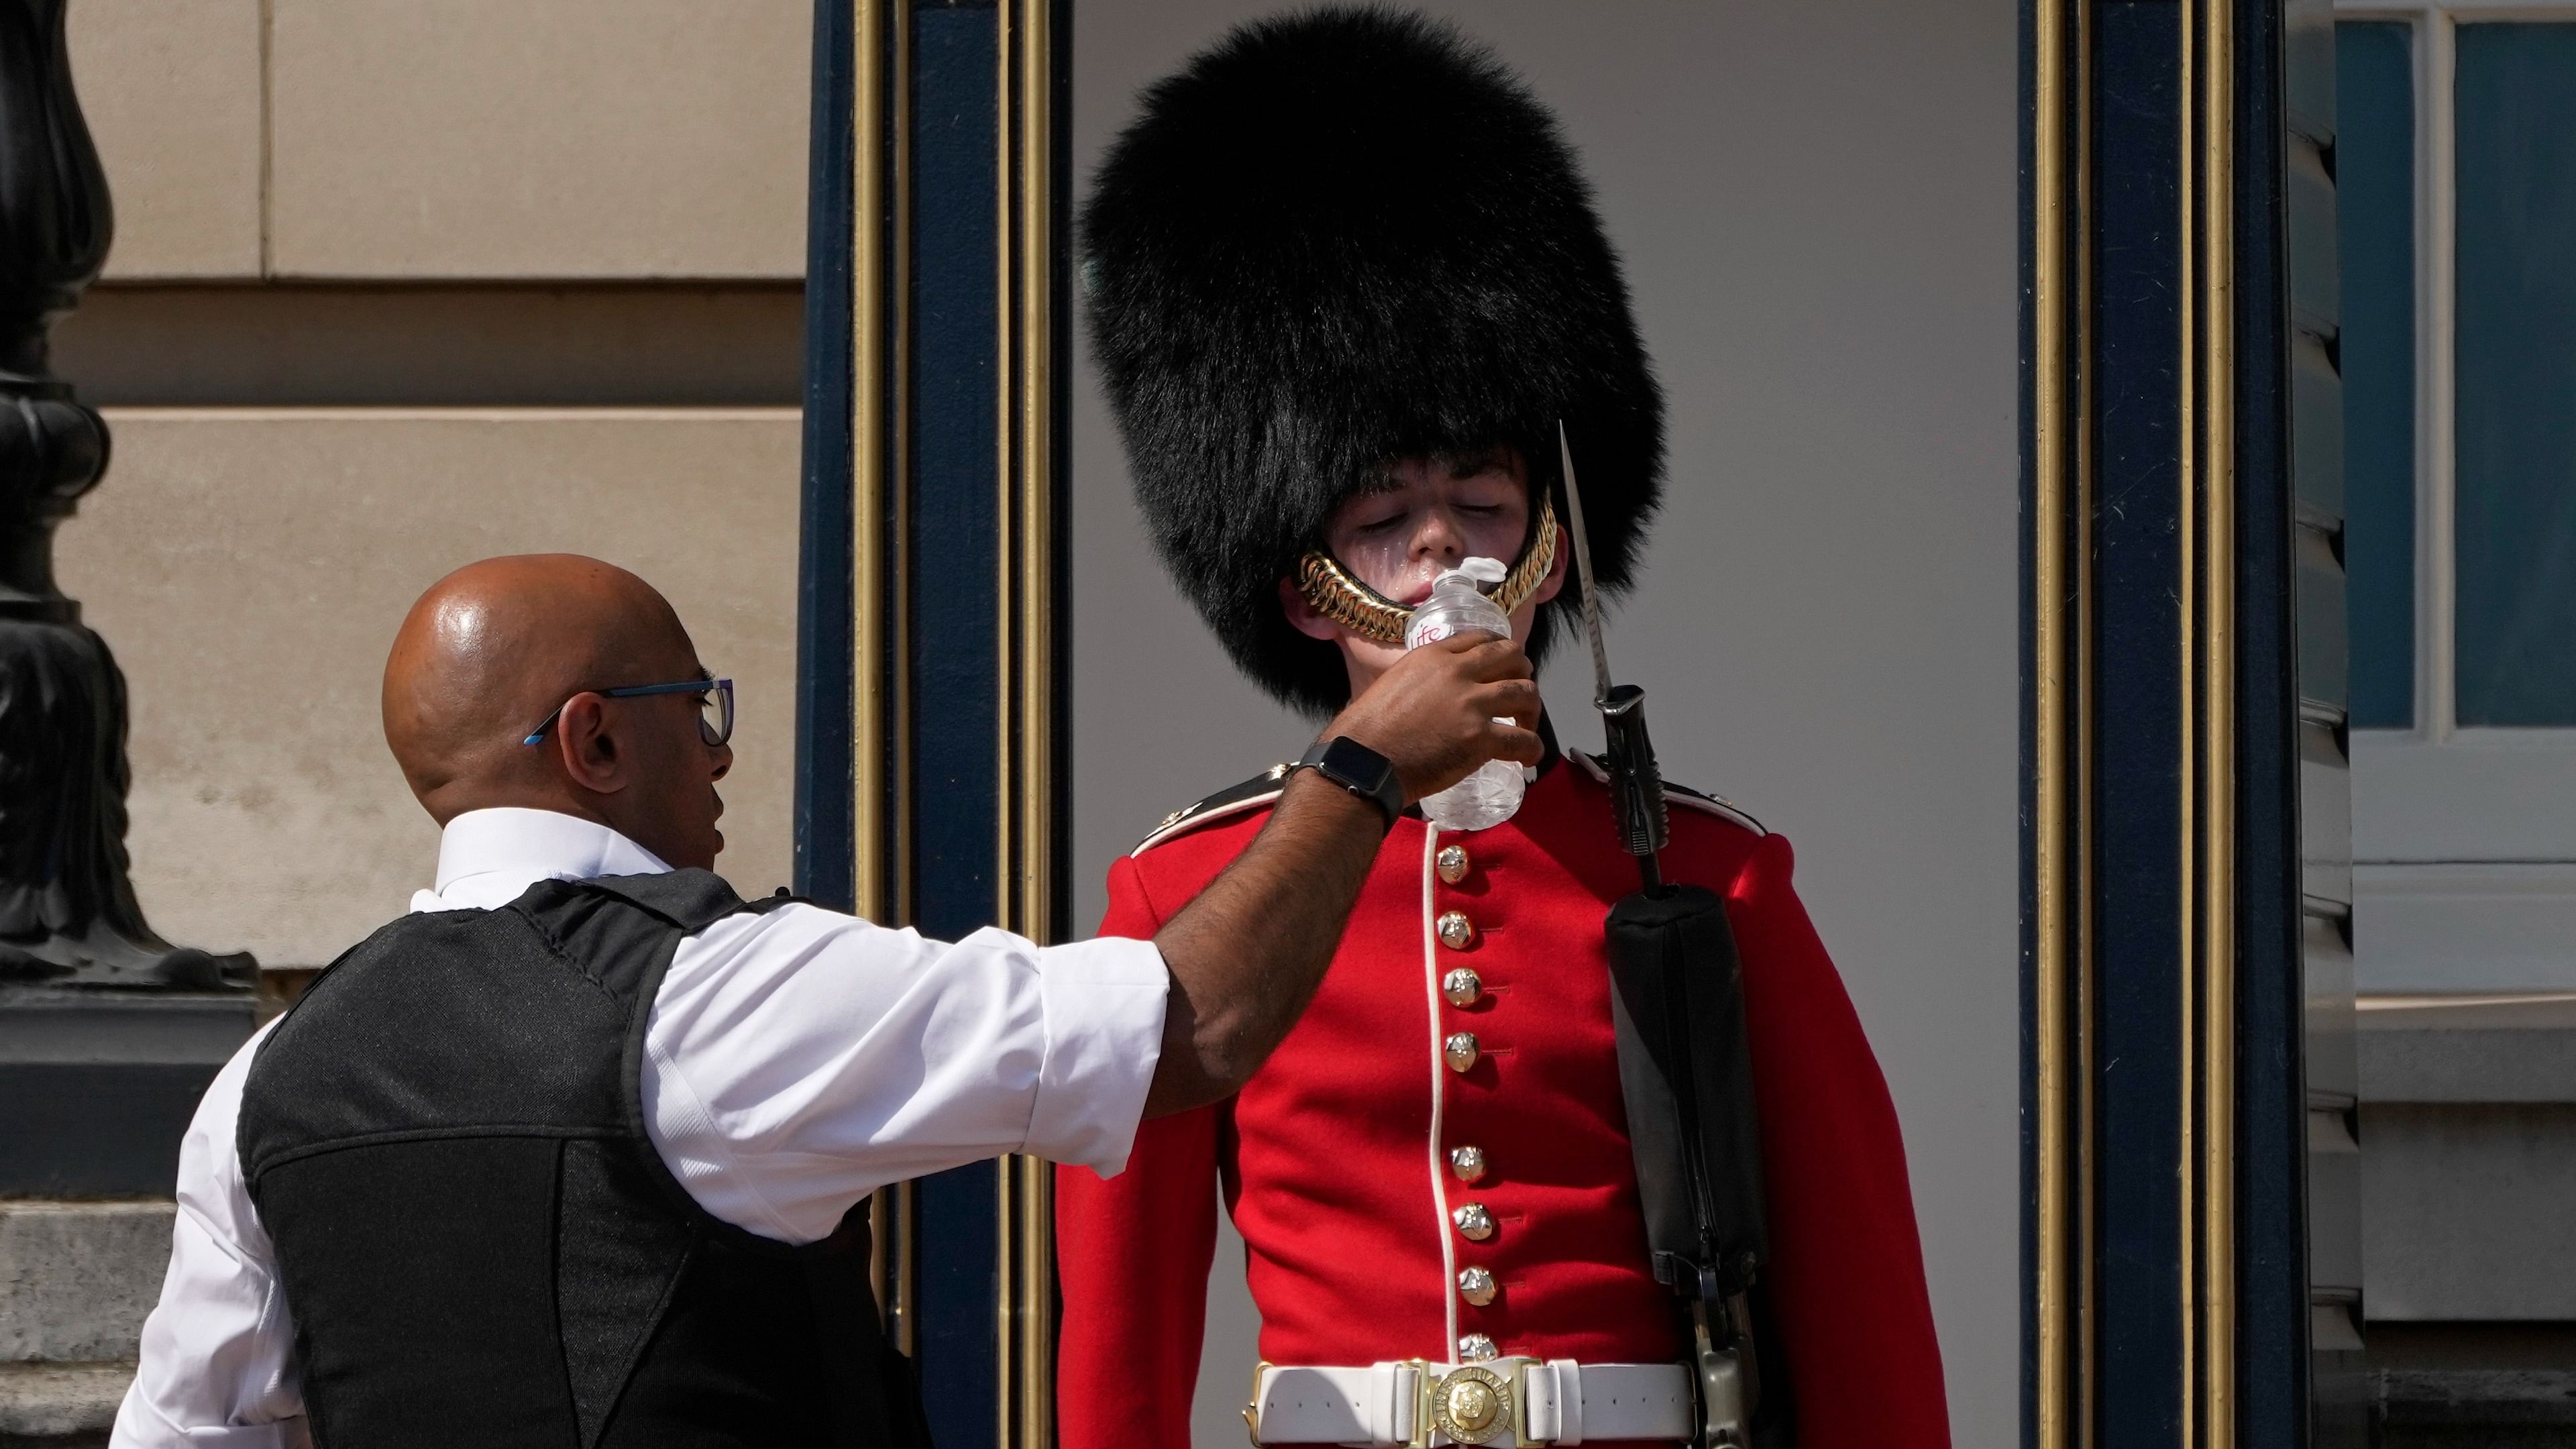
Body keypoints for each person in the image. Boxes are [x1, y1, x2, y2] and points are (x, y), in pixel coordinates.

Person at [1056, 9, 1950, 1448]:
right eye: (1383, 518)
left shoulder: (1713, 874)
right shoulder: (1182, 895)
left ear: (1548, 545)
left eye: (1482, 504)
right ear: (1305, 585)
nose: (1443, 556)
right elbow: (1122, 1337)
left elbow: (1865, 1313)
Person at [110, 552, 1539, 1449]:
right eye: (699, 709)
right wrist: (1357, 768)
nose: (723, 761)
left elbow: (185, 1429)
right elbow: (1196, 1025)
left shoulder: (271, 1077)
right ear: (594, 739)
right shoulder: (722, 993)